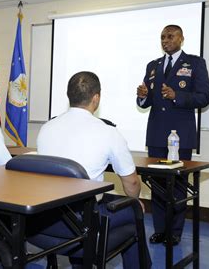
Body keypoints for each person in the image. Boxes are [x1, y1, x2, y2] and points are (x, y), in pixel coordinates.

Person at [37, 71, 151, 269]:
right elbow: (131, 183)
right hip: (83, 223)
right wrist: (135, 200)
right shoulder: (108, 132)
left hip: (45, 220)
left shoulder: (47, 128)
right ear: (96, 98)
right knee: (134, 211)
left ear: (69, 96)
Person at [136, 24, 209, 245]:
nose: (165, 40)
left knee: (178, 187)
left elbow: (204, 97)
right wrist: (142, 96)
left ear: (181, 38)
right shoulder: (153, 65)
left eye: (170, 36)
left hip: (181, 136)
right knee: (157, 186)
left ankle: (175, 231)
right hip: (157, 134)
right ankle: (160, 229)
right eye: (162, 37)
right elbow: (146, 101)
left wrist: (177, 95)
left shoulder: (195, 63)